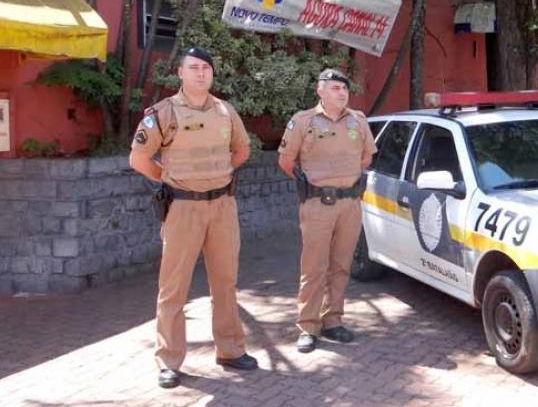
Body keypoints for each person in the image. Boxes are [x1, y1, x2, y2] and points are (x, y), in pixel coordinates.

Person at [129, 46, 258, 389]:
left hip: (222, 208)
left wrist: (222, 172)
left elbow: (242, 149)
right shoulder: (163, 112)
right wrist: (171, 179)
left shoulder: (225, 111)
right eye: (194, 67)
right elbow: (139, 157)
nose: (202, 73)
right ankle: (169, 361)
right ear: (180, 73)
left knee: (225, 282)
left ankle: (230, 350)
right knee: (173, 288)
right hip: (183, 208)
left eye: (206, 68)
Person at [277, 69, 377, 353]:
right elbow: (286, 161)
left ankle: (333, 320)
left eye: (344, 88)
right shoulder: (303, 121)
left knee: (341, 265)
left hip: (350, 205)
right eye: (334, 88)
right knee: (314, 267)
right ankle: (307, 326)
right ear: (320, 91)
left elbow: (367, 156)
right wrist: (312, 183)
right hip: (318, 204)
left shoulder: (358, 120)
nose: (342, 93)